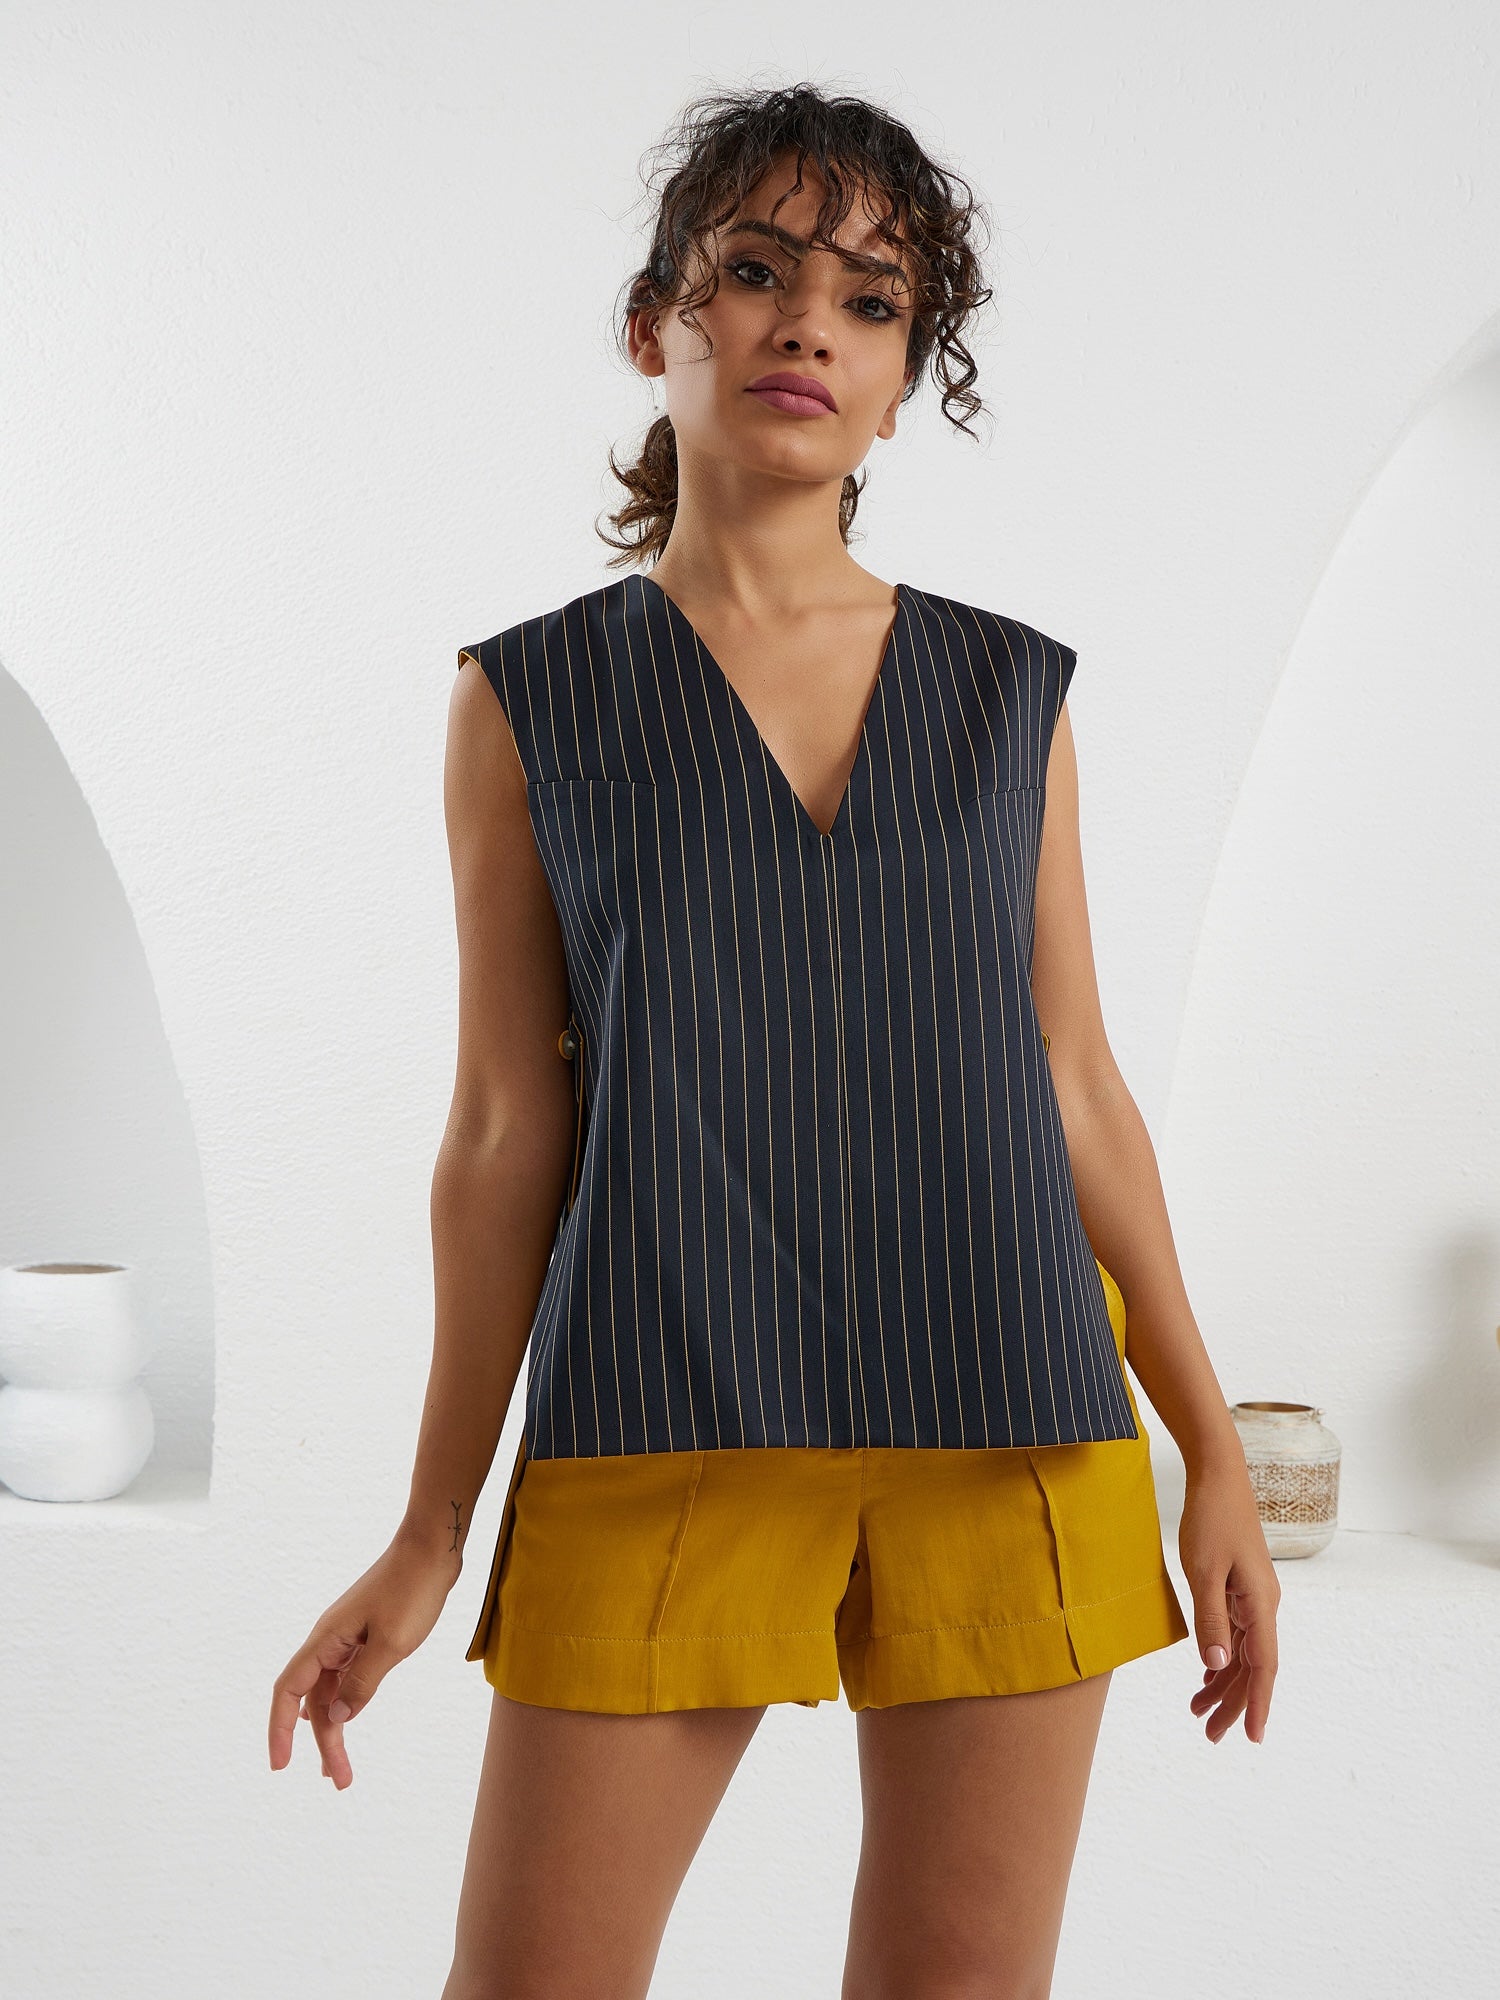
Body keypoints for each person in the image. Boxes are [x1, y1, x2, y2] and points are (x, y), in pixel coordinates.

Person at [270, 81, 1280, 2000]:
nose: (810, 323)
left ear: (901, 388)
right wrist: (429, 1528)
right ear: (654, 323)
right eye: (755, 271)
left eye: (872, 300)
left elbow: (1074, 1081)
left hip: (1013, 1426)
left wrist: (1209, 1445)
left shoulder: (1009, 695)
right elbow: (502, 1132)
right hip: (660, 1416)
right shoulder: (528, 701)